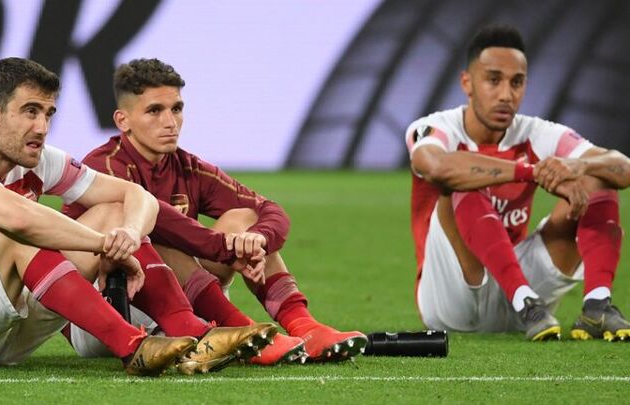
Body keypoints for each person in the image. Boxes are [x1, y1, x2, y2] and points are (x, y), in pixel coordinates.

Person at [0, 57, 275, 376]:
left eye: (48, 114)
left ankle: (191, 331)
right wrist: (103, 245)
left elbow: (138, 197)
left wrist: (127, 235)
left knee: (112, 212)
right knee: (14, 234)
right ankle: (132, 346)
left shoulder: (40, 160)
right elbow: (18, 220)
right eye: (30, 112)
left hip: (5, 333)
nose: (42, 127)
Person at [64, 58, 367, 362]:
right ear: (123, 120)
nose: (170, 122)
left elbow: (270, 211)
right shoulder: (103, 166)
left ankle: (304, 325)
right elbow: (160, 220)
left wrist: (257, 240)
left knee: (243, 220)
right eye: (154, 111)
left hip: (180, 303)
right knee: (153, 235)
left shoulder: (188, 167)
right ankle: (238, 329)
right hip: (102, 311)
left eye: (176, 109)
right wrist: (226, 249)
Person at [406, 24, 630, 341]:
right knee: (461, 178)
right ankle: (523, 300)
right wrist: (532, 172)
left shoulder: (535, 131)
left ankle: (597, 304)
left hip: (520, 293)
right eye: (493, 80)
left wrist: (579, 165)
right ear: (467, 82)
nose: (506, 95)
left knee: (599, 176)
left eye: (517, 82)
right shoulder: (436, 127)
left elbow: (622, 167)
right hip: (452, 300)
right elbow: (436, 167)